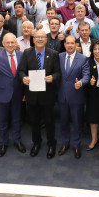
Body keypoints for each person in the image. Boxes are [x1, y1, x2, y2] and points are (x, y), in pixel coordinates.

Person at [18, 29, 61, 159]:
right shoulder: (26, 53)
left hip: (48, 94)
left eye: (42, 37)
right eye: (37, 37)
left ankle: (51, 143)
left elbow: (58, 73)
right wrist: (23, 78)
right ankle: (36, 143)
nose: (40, 39)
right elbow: (21, 71)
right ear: (33, 39)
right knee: (34, 122)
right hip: (32, 94)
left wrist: (52, 77)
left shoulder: (53, 54)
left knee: (49, 121)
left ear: (46, 39)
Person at [58, 35, 89, 158]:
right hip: (61, 96)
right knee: (63, 122)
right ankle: (65, 143)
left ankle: (76, 145)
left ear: (76, 45)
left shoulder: (83, 59)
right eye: (68, 43)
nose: (70, 45)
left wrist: (81, 82)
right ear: (64, 44)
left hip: (76, 96)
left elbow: (86, 75)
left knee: (77, 123)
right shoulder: (58, 57)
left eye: (72, 43)